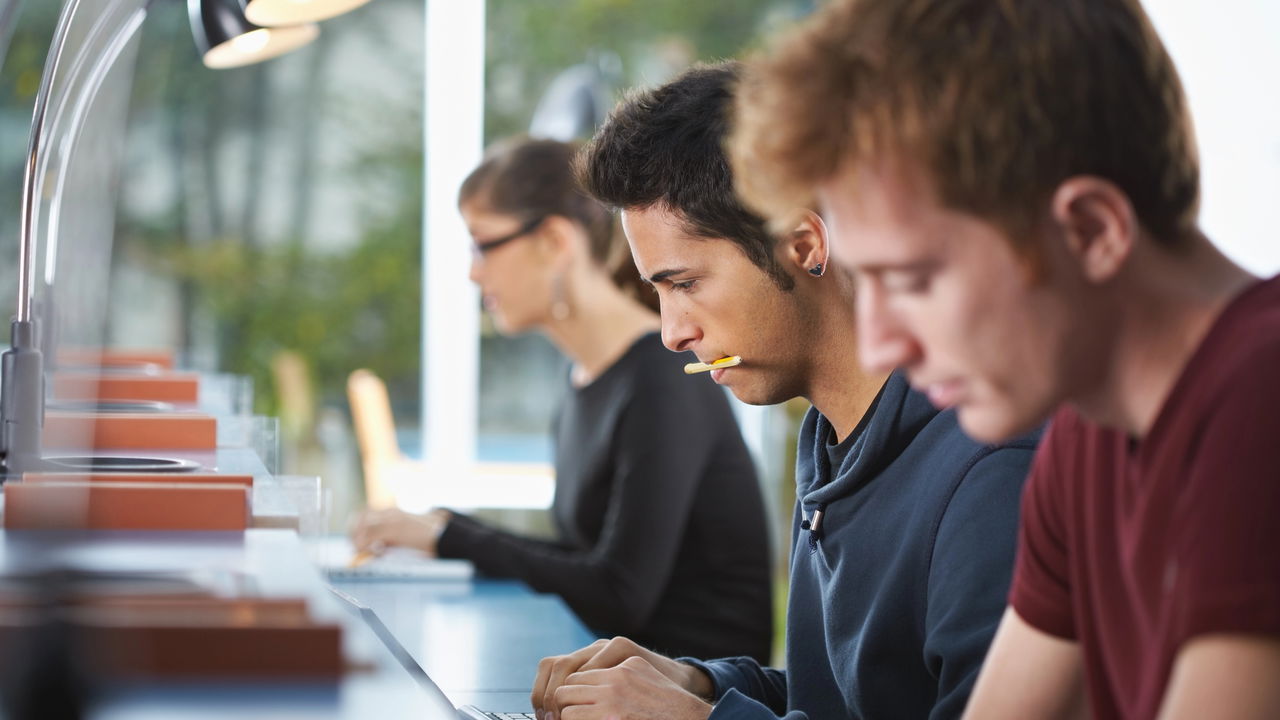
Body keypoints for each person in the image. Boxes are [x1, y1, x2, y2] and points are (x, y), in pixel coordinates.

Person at [728, 1, 1280, 718]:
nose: (880, 344)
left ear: (1089, 230)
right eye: (867, 284)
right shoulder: (1087, 436)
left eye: (914, 281)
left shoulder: (1259, 406)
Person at [531, 62, 1038, 720]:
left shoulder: (992, 470)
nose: (672, 333)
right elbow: (843, 703)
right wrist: (700, 684)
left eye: (683, 284)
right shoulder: (831, 438)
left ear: (803, 243)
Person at [352, 136, 773, 663]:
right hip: (614, 678)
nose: (472, 271)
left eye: (482, 244)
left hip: (691, 698)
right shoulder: (585, 377)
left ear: (554, 241)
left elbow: (619, 594)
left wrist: (449, 537)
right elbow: (583, 559)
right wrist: (441, 525)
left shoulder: (664, 377)